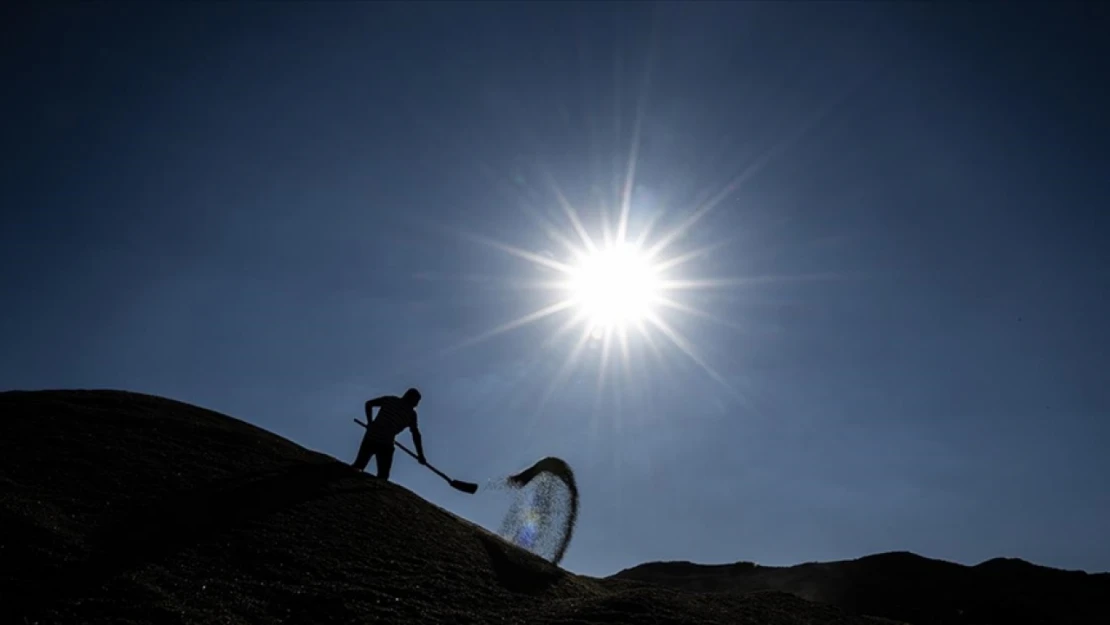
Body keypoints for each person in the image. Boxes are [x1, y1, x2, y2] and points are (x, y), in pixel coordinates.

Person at [352, 387, 426, 480]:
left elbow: (369, 404)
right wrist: (420, 455)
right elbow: (415, 434)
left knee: (364, 468)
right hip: (378, 440)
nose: (417, 404)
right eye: (416, 401)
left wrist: (370, 423)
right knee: (375, 473)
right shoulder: (407, 412)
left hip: (378, 439)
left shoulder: (394, 402)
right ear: (410, 398)